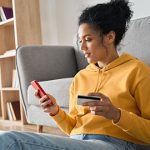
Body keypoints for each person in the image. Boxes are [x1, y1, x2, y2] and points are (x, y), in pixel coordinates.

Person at [0, 0, 150, 149]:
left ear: (109, 37)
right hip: (78, 141)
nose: (82, 47)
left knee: (10, 140)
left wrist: (116, 114)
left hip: (113, 144)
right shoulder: (81, 77)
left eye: (88, 40)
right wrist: (55, 112)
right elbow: (72, 128)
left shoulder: (136, 71)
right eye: (80, 41)